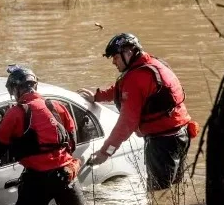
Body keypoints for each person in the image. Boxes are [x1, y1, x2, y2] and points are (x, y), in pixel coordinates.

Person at [77, 33, 197, 190]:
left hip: (162, 143)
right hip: (181, 135)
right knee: (173, 190)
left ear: (129, 52)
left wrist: (105, 153)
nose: (113, 61)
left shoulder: (136, 78)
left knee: (158, 193)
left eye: (115, 56)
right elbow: (123, 89)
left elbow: (126, 124)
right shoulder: (152, 64)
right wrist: (98, 96)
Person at [0, 65, 85, 205]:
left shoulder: (15, 113)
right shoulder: (57, 106)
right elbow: (72, 143)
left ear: (15, 90)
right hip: (66, 174)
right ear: (35, 86)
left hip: (37, 180)